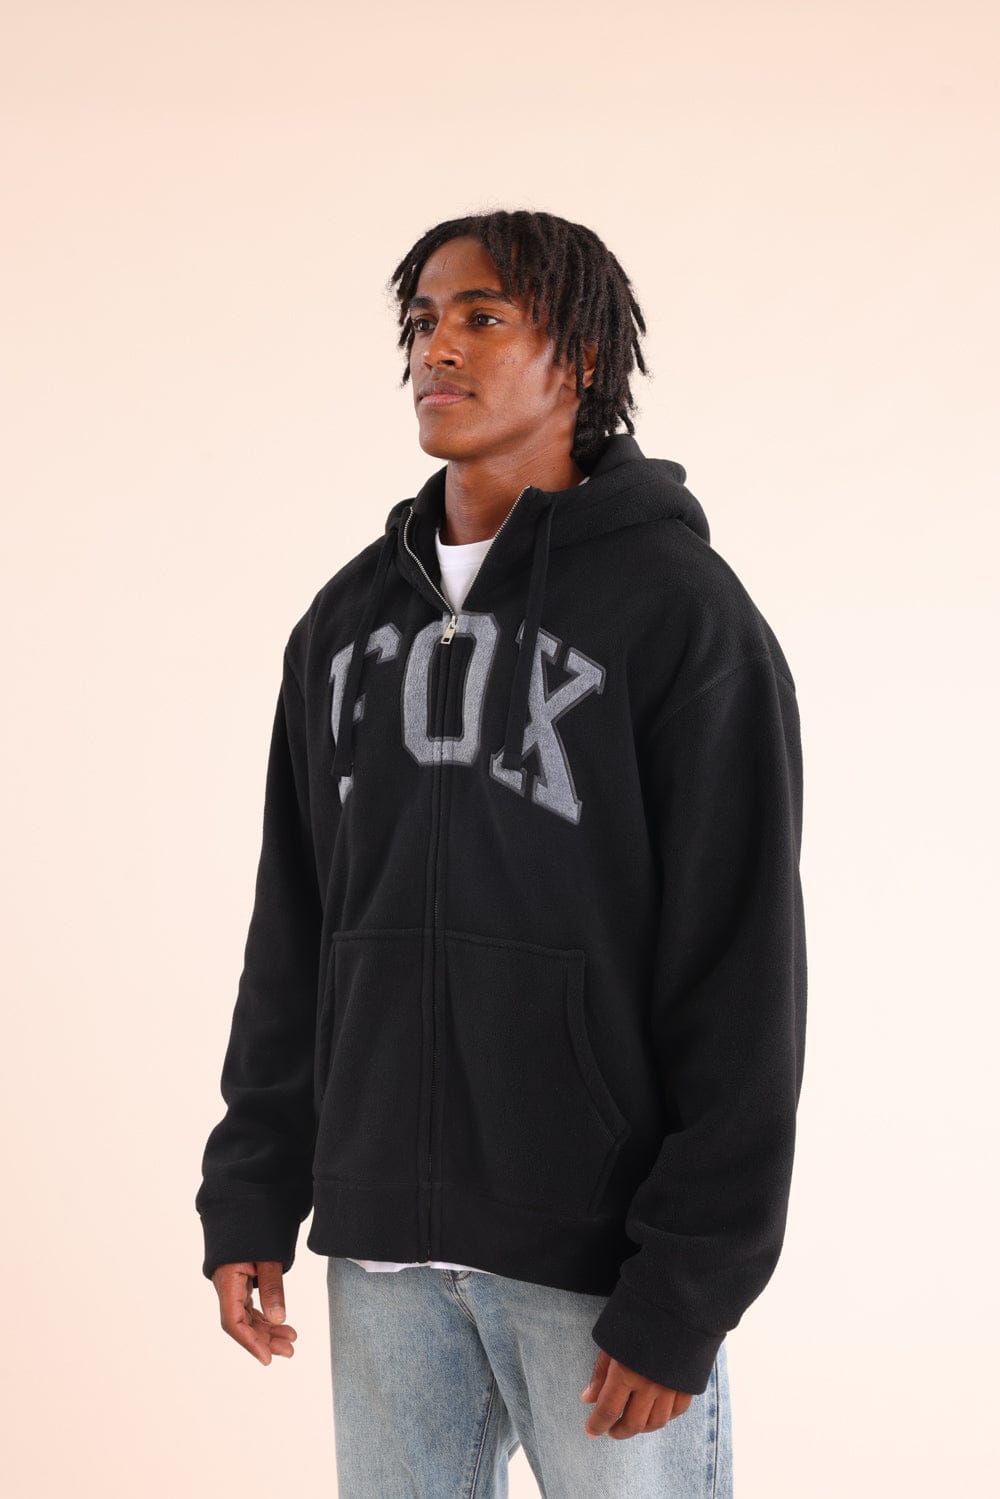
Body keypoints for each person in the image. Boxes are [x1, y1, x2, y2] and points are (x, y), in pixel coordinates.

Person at [195, 207, 807, 1497]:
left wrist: (687, 1285)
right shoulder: (342, 625)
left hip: (598, 1264)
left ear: (577, 357)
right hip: (384, 1258)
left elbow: (743, 967)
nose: (439, 349)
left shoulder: (682, 618)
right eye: (424, 321)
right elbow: (295, 928)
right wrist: (253, 1186)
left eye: (483, 318)